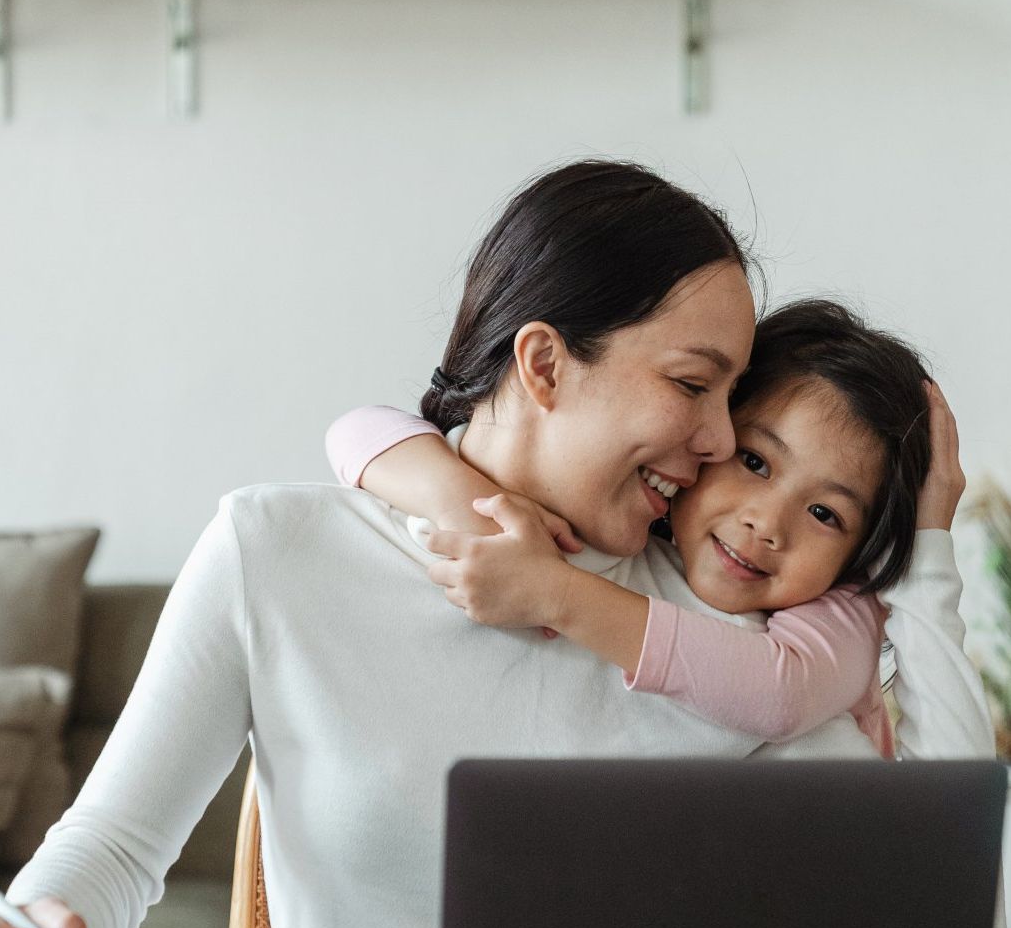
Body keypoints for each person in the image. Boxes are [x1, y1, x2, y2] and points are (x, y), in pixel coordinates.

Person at [0, 160, 997, 928]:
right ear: (542, 363)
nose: (719, 442)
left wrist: (928, 552)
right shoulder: (277, 551)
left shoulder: (738, 626)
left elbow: (946, 912)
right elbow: (115, 847)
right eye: (689, 384)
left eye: (731, 398)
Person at [324, 301, 963, 756]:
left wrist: (556, 594)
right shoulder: (637, 529)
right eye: (755, 461)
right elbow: (356, 428)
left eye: (827, 514)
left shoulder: (842, 607)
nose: (766, 525)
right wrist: (466, 502)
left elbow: (782, 694)